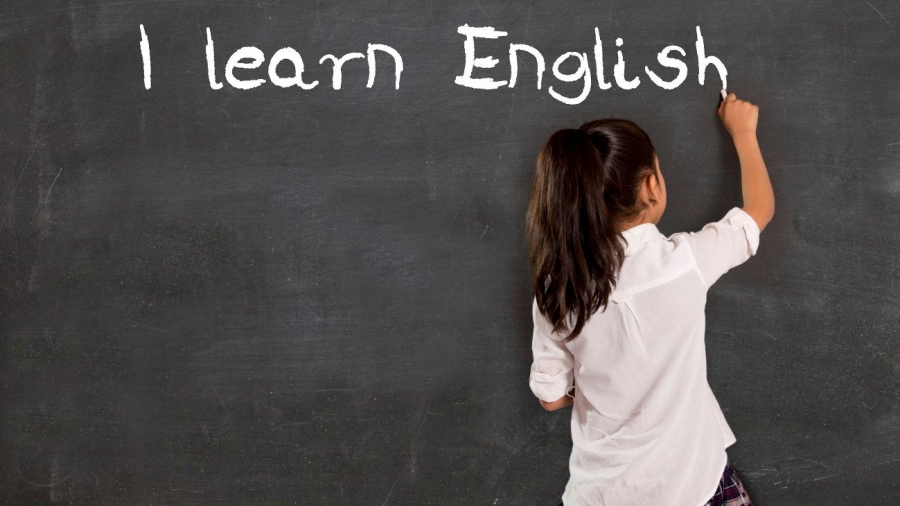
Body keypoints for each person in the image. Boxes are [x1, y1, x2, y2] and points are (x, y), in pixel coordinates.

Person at [525, 92, 773, 506]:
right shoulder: (685, 261)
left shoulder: (558, 289)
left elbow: (551, 397)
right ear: (650, 187)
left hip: (601, 494)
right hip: (692, 486)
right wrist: (743, 131)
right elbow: (758, 210)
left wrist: (592, 384)